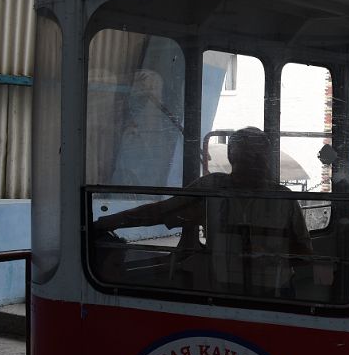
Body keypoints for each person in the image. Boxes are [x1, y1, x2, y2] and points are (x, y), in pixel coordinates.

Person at [94, 126, 314, 297]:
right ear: (233, 158)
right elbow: (160, 212)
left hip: (269, 296)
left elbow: (304, 254)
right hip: (231, 294)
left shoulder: (280, 198)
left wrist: (268, 256)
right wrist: (105, 223)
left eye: (256, 157)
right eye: (246, 158)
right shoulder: (213, 189)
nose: (252, 164)